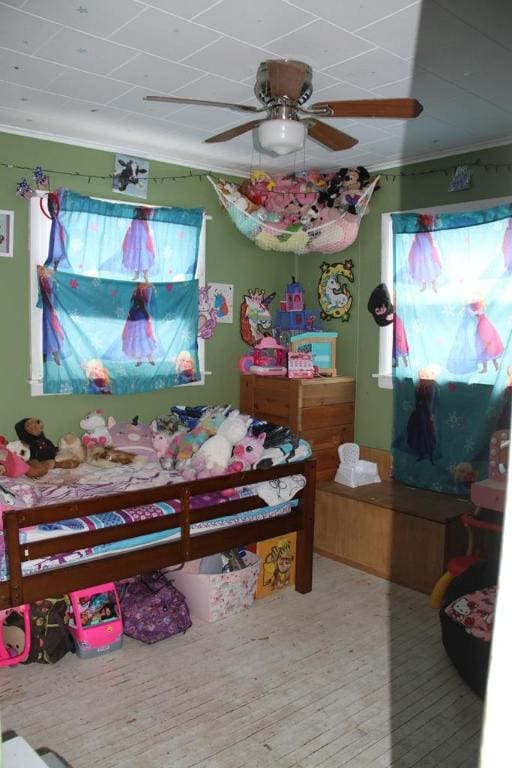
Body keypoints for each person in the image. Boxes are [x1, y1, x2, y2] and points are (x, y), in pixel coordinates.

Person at [122, 282, 156, 366]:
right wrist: (129, 313)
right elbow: (131, 303)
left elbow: (146, 303)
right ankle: (139, 359)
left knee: (144, 336)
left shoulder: (144, 292)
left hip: (141, 315)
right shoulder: (135, 292)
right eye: (140, 285)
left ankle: (149, 357)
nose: (141, 286)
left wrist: (147, 315)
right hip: (134, 315)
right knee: (135, 337)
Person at [122, 206, 155, 281]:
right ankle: (137, 275)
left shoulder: (143, 220)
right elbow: (131, 229)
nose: (138, 213)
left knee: (143, 257)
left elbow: (147, 229)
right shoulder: (134, 220)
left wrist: (148, 238)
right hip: (135, 242)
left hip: (142, 242)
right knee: (136, 258)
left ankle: (145, 275)